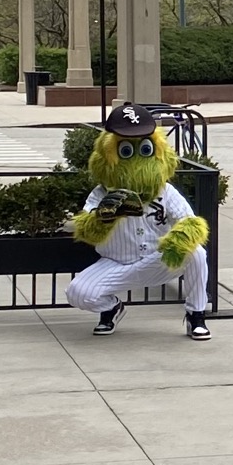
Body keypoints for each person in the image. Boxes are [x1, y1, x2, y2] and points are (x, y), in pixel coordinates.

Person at [66, 106, 212, 339]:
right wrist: (104, 217)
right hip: (117, 263)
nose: (135, 159)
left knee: (196, 253)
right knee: (78, 293)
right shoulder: (101, 193)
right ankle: (111, 308)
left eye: (144, 149)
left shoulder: (165, 191)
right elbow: (85, 230)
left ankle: (196, 315)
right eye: (125, 150)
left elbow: (190, 221)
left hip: (159, 259)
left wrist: (177, 241)